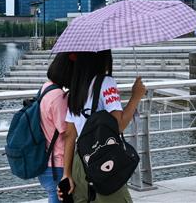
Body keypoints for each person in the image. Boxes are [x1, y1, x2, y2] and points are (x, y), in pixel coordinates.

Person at [59, 50, 146, 203]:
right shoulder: (106, 82)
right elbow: (118, 126)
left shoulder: (76, 88)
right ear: (101, 58)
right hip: (103, 159)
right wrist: (136, 97)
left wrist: (67, 174)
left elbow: (70, 135)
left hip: (80, 162)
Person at [38, 52, 74, 203]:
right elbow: (67, 133)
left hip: (46, 161)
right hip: (57, 164)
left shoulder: (45, 88)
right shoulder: (58, 96)